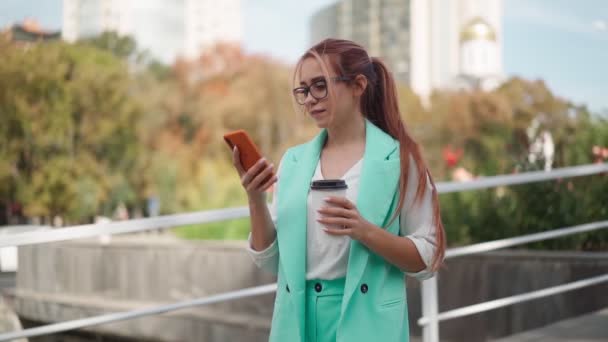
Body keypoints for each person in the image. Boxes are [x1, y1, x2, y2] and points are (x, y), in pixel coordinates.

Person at [230, 38, 446, 342]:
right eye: (303, 90)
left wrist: (364, 231)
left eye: (320, 85)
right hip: (298, 322)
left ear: (358, 85)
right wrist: (255, 198)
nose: (309, 99)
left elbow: (428, 258)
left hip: (369, 323)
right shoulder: (293, 161)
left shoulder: (401, 162)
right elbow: (271, 260)